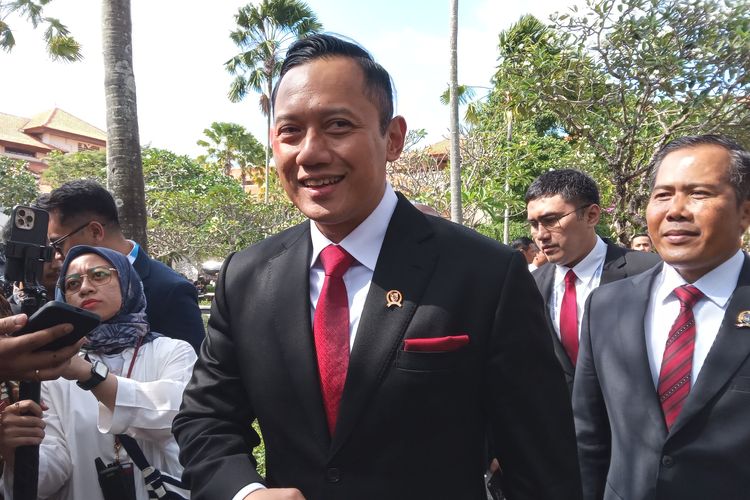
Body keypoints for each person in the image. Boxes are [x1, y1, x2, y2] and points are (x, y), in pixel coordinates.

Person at [173, 34, 580, 500]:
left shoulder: (487, 274)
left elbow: (542, 462)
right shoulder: (246, 277)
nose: (310, 153)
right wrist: (244, 492)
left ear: (393, 138)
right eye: (290, 131)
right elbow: (206, 418)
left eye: (338, 125)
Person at [574, 134, 750, 499]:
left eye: (699, 193)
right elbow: (589, 437)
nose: (676, 211)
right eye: (663, 195)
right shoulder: (607, 306)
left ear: (745, 213)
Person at [0, 245, 195, 499]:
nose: (85, 288)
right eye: (72, 284)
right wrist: (17, 451)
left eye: (99, 275)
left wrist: (91, 375)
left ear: (127, 283)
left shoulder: (172, 352)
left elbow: (179, 419)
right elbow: (50, 477)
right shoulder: (56, 371)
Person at [526, 169, 660, 391]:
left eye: (551, 220)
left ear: (591, 216)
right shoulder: (532, 284)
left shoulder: (649, 272)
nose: (541, 235)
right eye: (534, 224)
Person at [38, 182, 206, 352]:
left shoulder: (170, 289)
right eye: (73, 284)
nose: (57, 255)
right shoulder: (67, 285)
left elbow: (192, 365)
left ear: (95, 231)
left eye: (58, 244)